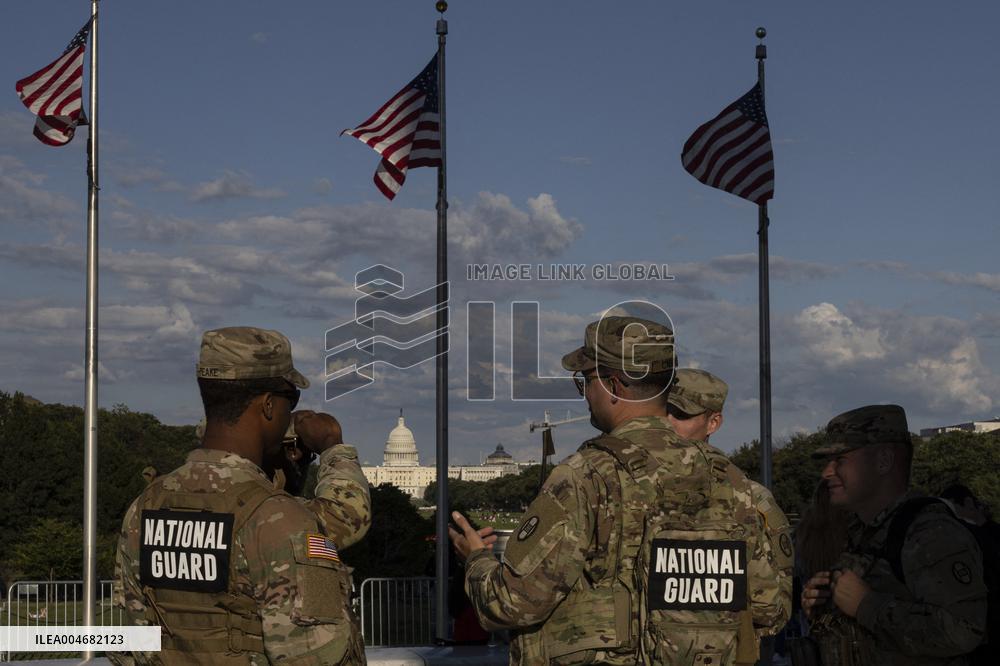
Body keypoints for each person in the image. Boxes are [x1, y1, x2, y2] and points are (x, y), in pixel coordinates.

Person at [449, 316, 785, 665]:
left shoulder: (585, 475)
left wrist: (475, 558)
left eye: (586, 381)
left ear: (613, 385)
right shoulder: (731, 481)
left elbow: (513, 604)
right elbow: (767, 607)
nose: (586, 394)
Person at [109, 327, 371, 665]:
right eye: (290, 403)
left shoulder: (145, 508)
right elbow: (313, 656)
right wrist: (333, 445)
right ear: (268, 406)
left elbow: (133, 642)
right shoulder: (279, 520)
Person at [801, 404, 987, 665]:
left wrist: (866, 604)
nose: (827, 472)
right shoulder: (862, 532)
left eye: (840, 459)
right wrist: (824, 609)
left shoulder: (930, 534)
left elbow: (965, 630)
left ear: (884, 461)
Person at [666, 368, 794, 664]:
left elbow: (773, 609)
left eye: (680, 415)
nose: (668, 423)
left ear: (713, 422)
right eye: (664, 412)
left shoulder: (751, 500)